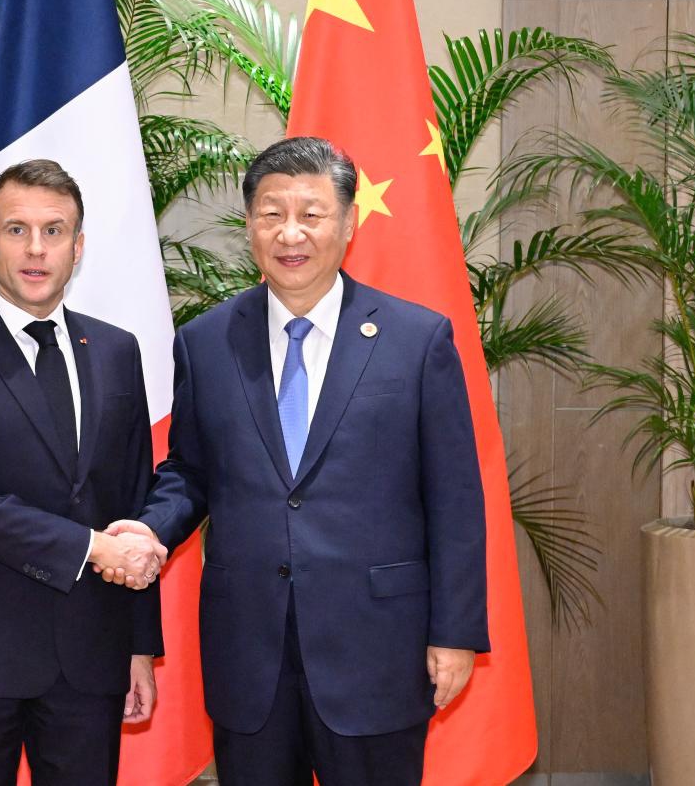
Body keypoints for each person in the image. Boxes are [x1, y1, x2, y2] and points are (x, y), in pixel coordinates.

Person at [102, 137, 489, 785]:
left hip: (377, 647)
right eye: (270, 212)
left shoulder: (416, 339)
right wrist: (151, 526)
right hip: (248, 649)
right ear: (249, 223)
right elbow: (191, 471)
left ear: (347, 222)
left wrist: (454, 632)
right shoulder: (205, 341)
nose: (290, 232)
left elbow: (453, 496)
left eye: (310, 213)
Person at [0, 158, 167, 786]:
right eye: (17, 230)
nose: (36, 249)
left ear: (78, 246)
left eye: (54, 230)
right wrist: (92, 547)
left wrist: (138, 647)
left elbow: (134, 498)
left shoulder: (117, 351)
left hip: (90, 659)